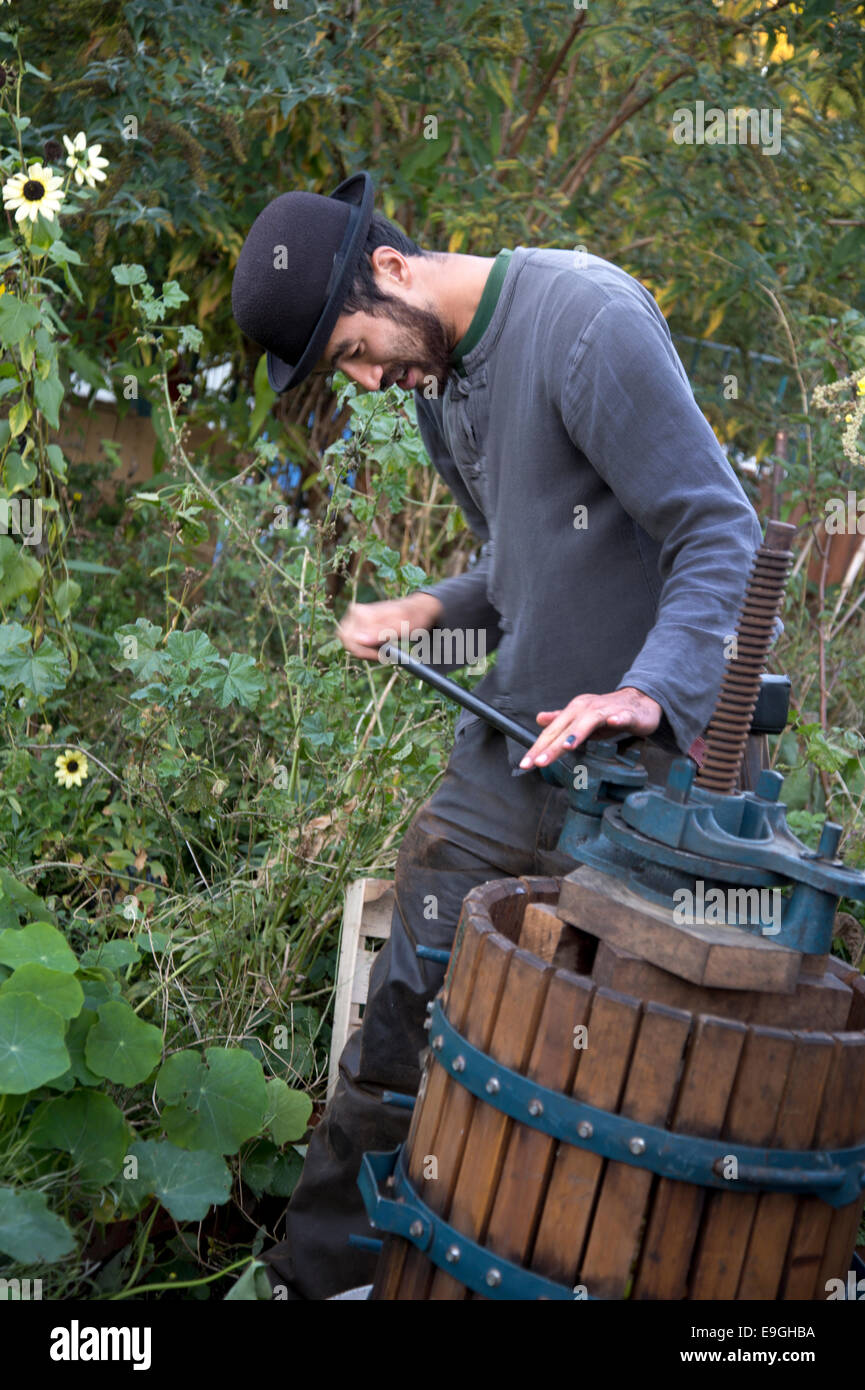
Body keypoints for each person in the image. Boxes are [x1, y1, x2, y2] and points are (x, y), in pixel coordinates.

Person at [230, 170, 766, 1299]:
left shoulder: (586, 322)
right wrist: (427, 608)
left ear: (388, 267)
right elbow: (516, 566)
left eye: (357, 354)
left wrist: (645, 691)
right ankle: (323, 1280)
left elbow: (720, 528)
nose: (373, 382)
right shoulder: (441, 385)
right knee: (397, 1037)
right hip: (513, 755)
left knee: (617, 1075)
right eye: (351, 375)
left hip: (652, 779)